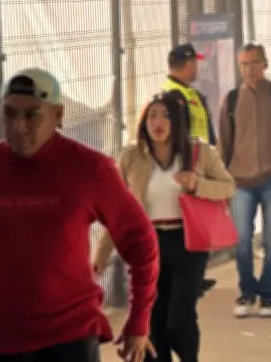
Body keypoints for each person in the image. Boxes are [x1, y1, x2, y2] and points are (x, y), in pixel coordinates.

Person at [0, 69, 159, 362]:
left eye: (32, 115)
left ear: (58, 114)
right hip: (2, 340)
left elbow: (141, 242)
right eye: (9, 114)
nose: (19, 126)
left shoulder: (91, 170)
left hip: (72, 337)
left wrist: (139, 319)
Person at [94, 91, 235, 362]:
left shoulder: (198, 151)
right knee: (152, 322)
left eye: (165, 116)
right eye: (152, 115)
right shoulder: (132, 157)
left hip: (188, 243)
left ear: (177, 121)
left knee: (180, 318)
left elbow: (228, 186)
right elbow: (117, 212)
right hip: (148, 246)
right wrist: (99, 257)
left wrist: (197, 183)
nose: (158, 122)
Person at [219, 43, 271, 318]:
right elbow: (224, 142)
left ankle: (268, 297)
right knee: (242, 241)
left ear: (264, 64)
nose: (248, 69)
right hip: (241, 182)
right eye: (243, 64)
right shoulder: (231, 100)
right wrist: (225, 177)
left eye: (253, 62)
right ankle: (246, 292)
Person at [162, 43, 218, 295]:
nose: (197, 67)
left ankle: (196, 276)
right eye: (195, 62)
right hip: (188, 169)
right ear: (187, 64)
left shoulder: (188, 92)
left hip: (199, 166)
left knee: (197, 224)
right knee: (189, 225)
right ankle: (190, 277)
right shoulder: (174, 95)